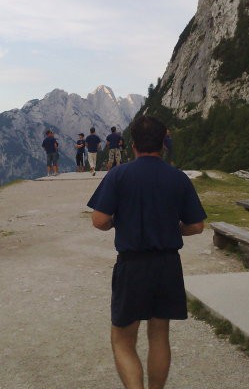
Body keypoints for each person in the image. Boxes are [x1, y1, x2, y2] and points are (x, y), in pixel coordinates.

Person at [87, 115, 206, 389]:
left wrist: (121, 221)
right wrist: (176, 230)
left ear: (132, 144)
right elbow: (197, 225)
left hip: (133, 265)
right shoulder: (178, 178)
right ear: (163, 143)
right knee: (159, 335)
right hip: (167, 265)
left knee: (123, 340)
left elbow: (99, 220)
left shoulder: (119, 175)